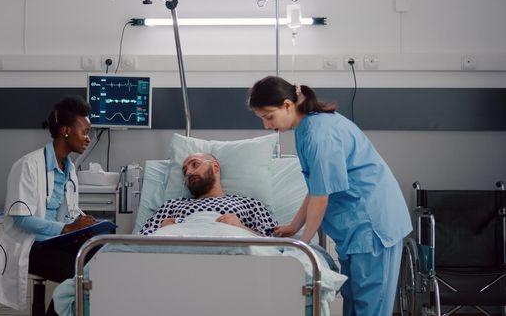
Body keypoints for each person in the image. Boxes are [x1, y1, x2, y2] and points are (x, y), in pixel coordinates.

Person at [248, 76, 412, 316]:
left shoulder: (318, 133)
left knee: (370, 308)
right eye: (262, 119)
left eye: (269, 116)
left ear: (287, 105)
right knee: (354, 303)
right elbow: (317, 186)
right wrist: (295, 225)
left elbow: (321, 197)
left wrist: (303, 243)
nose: (266, 125)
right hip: (355, 230)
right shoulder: (306, 128)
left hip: (373, 226)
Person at [0, 95, 97, 314]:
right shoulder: (28, 165)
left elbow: (69, 210)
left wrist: (85, 224)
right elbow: (21, 218)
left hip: (55, 241)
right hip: (30, 246)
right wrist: (66, 228)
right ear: (66, 131)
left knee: (100, 255)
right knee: (78, 274)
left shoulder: (69, 168)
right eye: (85, 131)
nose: (88, 138)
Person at [139, 153, 277, 236]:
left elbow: (274, 243)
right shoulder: (172, 205)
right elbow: (140, 241)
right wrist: (163, 229)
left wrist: (242, 228)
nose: (188, 172)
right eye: (184, 171)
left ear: (215, 166)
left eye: (195, 164)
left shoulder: (249, 204)